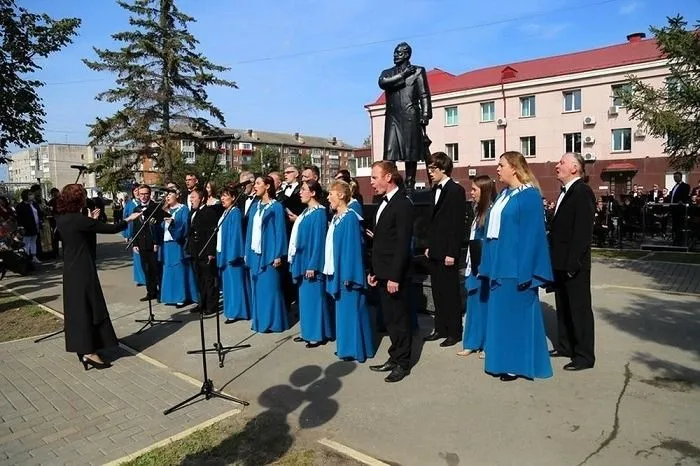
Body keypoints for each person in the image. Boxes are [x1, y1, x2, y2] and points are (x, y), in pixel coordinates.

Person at [480, 151, 553, 382]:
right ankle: (502, 361)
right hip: (499, 266)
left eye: (501, 165)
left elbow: (533, 237)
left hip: (515, 269)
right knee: (502, 318)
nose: (497, 169)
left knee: (516, 318)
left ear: (514, 167)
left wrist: (526, 272)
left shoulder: (529, 196)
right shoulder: (504, 194)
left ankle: (516, 364)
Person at [55, 184, 141, 370]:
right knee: (88, 307)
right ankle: (89, 353)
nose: (86, 199)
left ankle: (86, 348)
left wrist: (90, 221)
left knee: (78, 309)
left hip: (71, 269)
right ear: (78, 200)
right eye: (84, 196)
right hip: (82, 269)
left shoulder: (62, 219)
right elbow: (110, 229)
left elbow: (80, 239)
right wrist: (129, 219)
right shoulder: (78, 219)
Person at [549, 153, 596, 371]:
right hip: (560, 263)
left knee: (579, 310)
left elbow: (582, 233)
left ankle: (584, 356)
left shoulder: (582, 192)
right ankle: (566, 346)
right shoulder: (565, 192)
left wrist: (573, 263)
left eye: (562, 163)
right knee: (564, 307)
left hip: (573, 265)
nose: (557, 166)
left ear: (575, 168)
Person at [367, 161, 414, 383]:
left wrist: (395, 276)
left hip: (396, 275)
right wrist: (373, 270)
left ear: (388, 177)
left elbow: (402, 244)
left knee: (400, 320)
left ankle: (403, 363)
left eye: (375, 177)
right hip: (382, 272)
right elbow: (382, 241)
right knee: (390, 320)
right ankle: (394, 357)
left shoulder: (402, 203)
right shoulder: (383, 202)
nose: (371, 182)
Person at [325, 180, 375, 362]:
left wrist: (348, 275)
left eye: (331, 194)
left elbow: (352, 249)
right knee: (343, 314)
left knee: (352, 312)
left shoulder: (351, 217)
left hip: (347, 276)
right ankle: (345, 348)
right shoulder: (338, 218)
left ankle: (357, 349)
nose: (328, 197)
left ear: (341, 195)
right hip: (338, 272)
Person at [423, 152, 467, 347]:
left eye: (433, 169)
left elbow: (456, 225)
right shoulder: (434, 190)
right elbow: (432, 223)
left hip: (448, 252)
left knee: (450, 293)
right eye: (429, 168)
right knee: (438, 292)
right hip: (434, 250)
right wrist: (428, 246)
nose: (430, 172)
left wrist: (452, 252)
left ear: (443, 168)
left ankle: (454, 332)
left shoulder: (456, 190)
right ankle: (440, 329)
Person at [378, 42, 432, 191]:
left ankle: (410, 185)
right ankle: (391, 185)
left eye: (399, 53)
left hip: (410, 116)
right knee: (390, 154)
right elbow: (383, 83)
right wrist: (403, 75)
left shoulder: (418, 71)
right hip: (393, 117)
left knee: (411, 154)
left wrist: (426, 114)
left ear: (407, 54)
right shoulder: (388, 72)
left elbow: (424, 94)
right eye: (395, 53)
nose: (395, 55)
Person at [289, 180, 333, 347]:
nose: (300, 192)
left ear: (313, 193)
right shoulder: (307, 211)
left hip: (310, 263)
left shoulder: (319, 213)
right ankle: (307, 331)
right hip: (302, 260)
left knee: (314, 300)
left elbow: (318, 241)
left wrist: (313, 265)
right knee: (305, 300)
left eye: (304, 189)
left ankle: (316, 334)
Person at [457, 175, 496, 358]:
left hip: (483, 265)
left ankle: (487, 344)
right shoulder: (477, 212)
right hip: (473, 263)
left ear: (484, 191)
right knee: (474, 303)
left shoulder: (490, 212)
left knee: (485, 304)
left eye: (474, 190)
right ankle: (472, 342)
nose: (471, 193)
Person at [245, 175, 289, 333]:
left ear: (268, 186)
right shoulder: (255, 205)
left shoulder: (276, 206)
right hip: (254, 253)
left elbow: (280, 231)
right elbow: (250, 231)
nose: (254, 186)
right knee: (257, 290)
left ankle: (274, 323)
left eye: (258, 183)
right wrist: (246, 252)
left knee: (270, 290)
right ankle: (260, 322)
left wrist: (278, 254)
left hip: (269, 254)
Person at [217, 184, 250, 323]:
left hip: (232, 256)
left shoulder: (235, 212)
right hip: (224, 253)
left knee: (235, 285)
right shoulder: (226, 212)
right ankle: (231, 310)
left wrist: (233, 255)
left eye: (225, 196)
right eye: (221, 196)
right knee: (228, 285)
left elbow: (235, 236)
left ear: (233, 197)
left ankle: (238, 311)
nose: (222, 198)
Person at [159, 190, 198, 306]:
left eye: (170, 194)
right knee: (168, 269)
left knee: (178, 269)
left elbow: (185, 226)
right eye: (167, 195)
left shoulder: (183, 209)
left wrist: (173, 223)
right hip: (167, 244)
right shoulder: (165, 210)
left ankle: (181, 296)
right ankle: (169, 296)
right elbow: (162, 227)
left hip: (177, 243)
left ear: (177, 196)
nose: (168, 197)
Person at [187, 188, 220, 316]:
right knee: (199, 279)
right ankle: (202, 302)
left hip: (205, 250)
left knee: (209, 279)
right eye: (190, 197)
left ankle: (211, 305)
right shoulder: (193, 212)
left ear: (202, 199)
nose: (191, 200)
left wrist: (211, 252)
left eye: (194, 197)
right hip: (195, 251)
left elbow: (211, 233)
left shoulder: (209, 212)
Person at [132, 185, 163, 302]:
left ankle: (160, 292)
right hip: (142, 243)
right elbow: (135, 227)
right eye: (141, 194)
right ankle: (151, 292)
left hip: (153, 243)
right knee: (146, 269)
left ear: (150, 194)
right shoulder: (136, 209)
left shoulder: (156, 207)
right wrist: (135, 243)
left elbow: (159, 227)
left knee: (156, 269)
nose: (143, 197)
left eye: (146, 194)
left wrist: (156, 241)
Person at [123, 186, 146, 286]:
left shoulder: (145, 203)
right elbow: (125, 218)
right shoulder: (130, 204)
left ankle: (147, 277)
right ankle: (140, 279)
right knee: (137, 256)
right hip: (134, 231)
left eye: (139, 191)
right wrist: (126, 233)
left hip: (144, 232)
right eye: (135, 191)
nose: (137, 193)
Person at [15, 189, 42, 264]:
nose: (32, 196)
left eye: (32, 194)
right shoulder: (21, 206)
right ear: (25, 196)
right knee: (26, 242)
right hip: (26, 227)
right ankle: (26, 257)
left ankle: (34, 256)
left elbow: (39, 213)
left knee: (33, 241)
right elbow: (19, 217)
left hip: (35, 226)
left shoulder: (34, 204)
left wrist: (40, 222)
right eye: (30, 194)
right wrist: (21, 226)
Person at [668, 171, 691, 246]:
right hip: (674, 208)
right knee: (674, 225)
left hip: (680, 209)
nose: (675, 178)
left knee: (679, 225)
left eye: (677, 177)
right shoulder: (675, 186)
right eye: (674, 177)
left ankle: (679, 240)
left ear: (681, 177)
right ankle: (675, 239)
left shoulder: (685, 186)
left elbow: (685, 195)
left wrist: (682, 201)